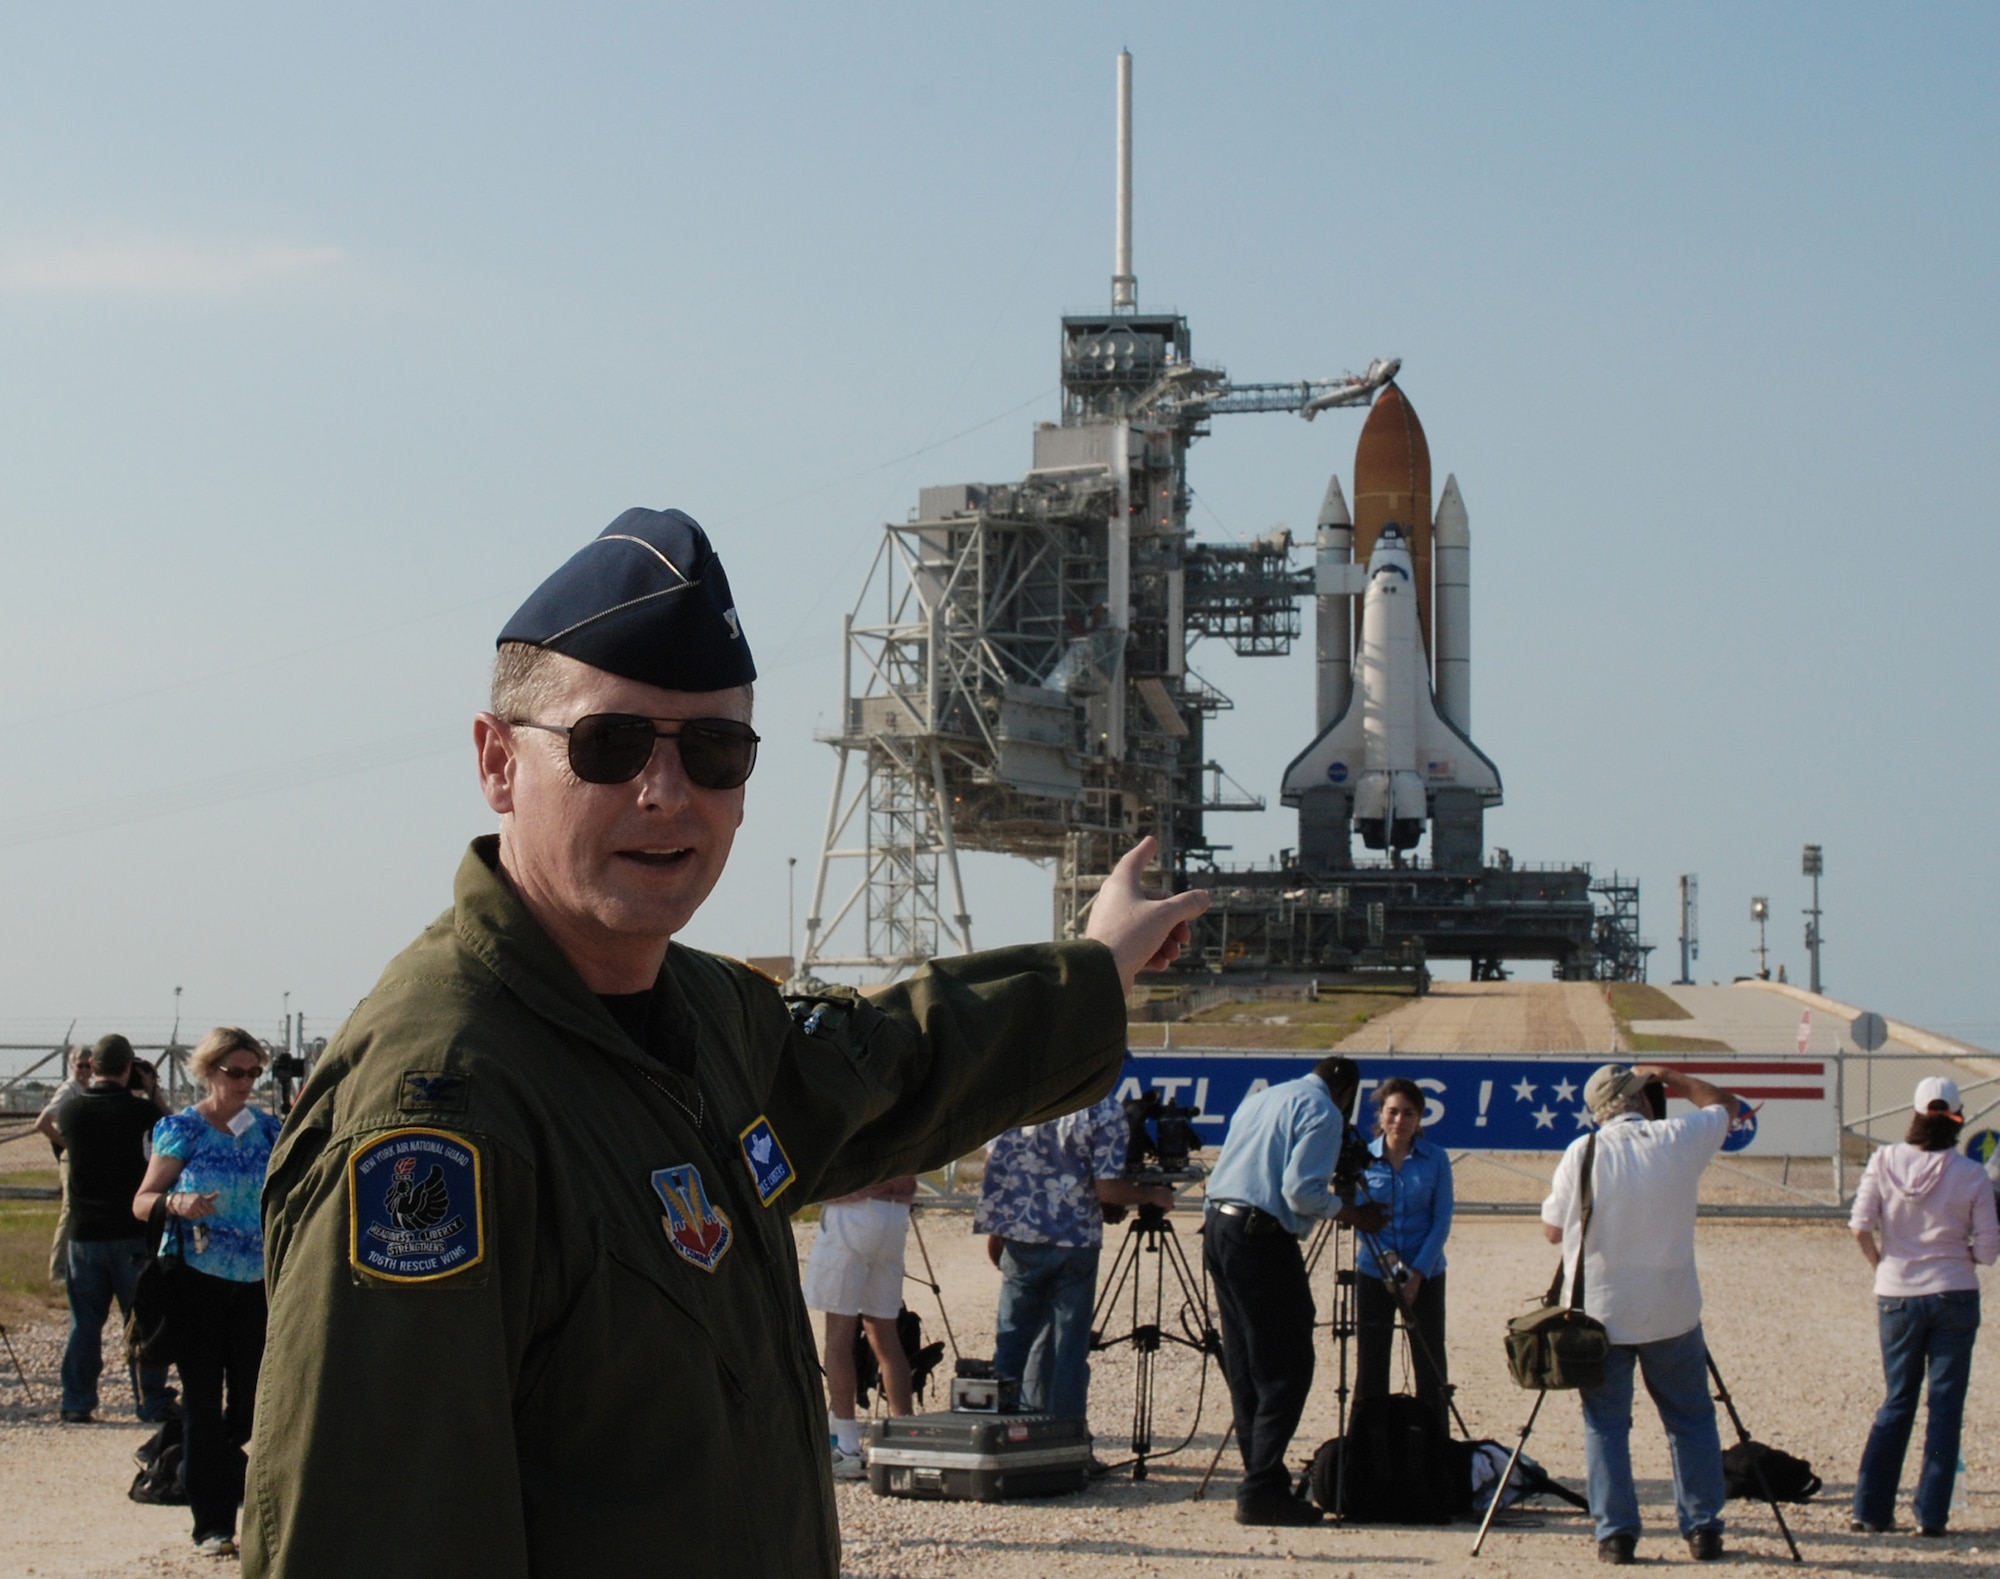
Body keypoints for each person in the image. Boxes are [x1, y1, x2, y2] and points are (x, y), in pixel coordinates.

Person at [243, 507, 1208, 1579]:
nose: (666, 792)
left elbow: (892, 1066)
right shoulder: (440, 1115)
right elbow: (379, 1536)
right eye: (609, 745)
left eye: (713, 749)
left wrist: (1092, 968)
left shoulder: (701, 1016)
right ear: (498, 762)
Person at [1541, 1063, 1739, 1565]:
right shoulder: (1676, 1138)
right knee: (1690, 1420)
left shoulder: (1581, 1152)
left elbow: (1551, 1230)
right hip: (1671, 1308)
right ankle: (1702, 1528)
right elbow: (1725, 1105)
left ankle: (1616, 1535)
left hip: (1600, 1312)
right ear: (1642, 1100)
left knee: (1605, 1424)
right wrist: (1673, 1074)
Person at [1201, 1054, 1387, 1526]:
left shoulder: (1262, 1098)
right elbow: (1301, 1191)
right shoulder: (1322, 1112)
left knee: (1245, 1360)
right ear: (1346, 1093)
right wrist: (1353, 1214)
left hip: (1220, 1228)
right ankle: (1262, 1488)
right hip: (1261, 1235)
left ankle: (1261, 1477)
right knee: (1286, 1362)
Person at [133, 1028, 282, 1558]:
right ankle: (212, 1523)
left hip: (256, 1284)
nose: (245, 1083)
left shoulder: (269, 1130)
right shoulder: (183, 1130)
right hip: (197, 1281)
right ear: (209, 1072)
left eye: (253, 1073)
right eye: (235, 1072)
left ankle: (213, 1461)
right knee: (201, 1399)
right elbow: (143, 1198)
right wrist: (178, 1202)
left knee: (248, 1406)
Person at [1848, 1075, 1999, 1537]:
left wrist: (1881, 1264)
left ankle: (1870, 1509)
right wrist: (1962, 1255)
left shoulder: (1884, 1159)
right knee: (1945, 1404)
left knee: (1897, 1400)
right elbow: (1990, 1250)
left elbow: (1859, 1225)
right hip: (1954, 1292)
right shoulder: (1971, 1174)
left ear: (1914, 1113)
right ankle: (1931, 1515)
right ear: (1957, 1116)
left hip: (1896, 1292)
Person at [974, 1088, 1172, 1428]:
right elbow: (1107, 1189)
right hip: (1075, 1240)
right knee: (1068, 1350)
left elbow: (994, 1165)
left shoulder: (1016, 1100)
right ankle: (1065, 1438)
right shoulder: (1103, 1109)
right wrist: (1151, 1194)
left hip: (1022, 1236)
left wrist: (999, 1225)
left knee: (1011, 1339)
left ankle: (999, 1432)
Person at [35, 1032, 177, 1425]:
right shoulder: (142, 1114)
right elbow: (174, 1134)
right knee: (144, 1319)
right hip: (131, 1230)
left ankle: (77, 1400)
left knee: (85, 1322)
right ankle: (151, 1399)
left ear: (91, 1067)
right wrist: (152, 1095)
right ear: (129, 1067)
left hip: (83, 1233)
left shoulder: (72, 1113)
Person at [802, 1174, 918, 1479]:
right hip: (895, 1213)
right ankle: (906, 1439)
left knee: (838, 1337)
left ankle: (848, 1446)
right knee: (886, 1334)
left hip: (854, 1213)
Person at [1353, 1076, 1454, 1427]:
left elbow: (1441, 1220)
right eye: (1392, 1112)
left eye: (1408, 1113)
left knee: (1430, 1367)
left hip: (1425, 1273)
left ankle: (1436, 1451)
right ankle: (1369, 1452)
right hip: (1374, 1273)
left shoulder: (1436, 1160)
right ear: (1380, 1115)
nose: (1400, 1121)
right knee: (1371, 1367)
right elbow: (1357, 1217)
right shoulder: (1362, 1160)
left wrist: (1417, 1274)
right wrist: (1389, 1265)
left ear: (1420, 1117)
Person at [40, 1045, 94, 1284]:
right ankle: (57, 1270)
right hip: (72, 1156)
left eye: (88, 1065)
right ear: (72, 1066)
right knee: (70, 1210)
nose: (84, 1070)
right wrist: (67, 1145)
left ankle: (79, 1264)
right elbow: (42, 1122)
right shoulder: (68, 1090)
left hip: (86, 1156)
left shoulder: (86, 1089)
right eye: (80, 1065)